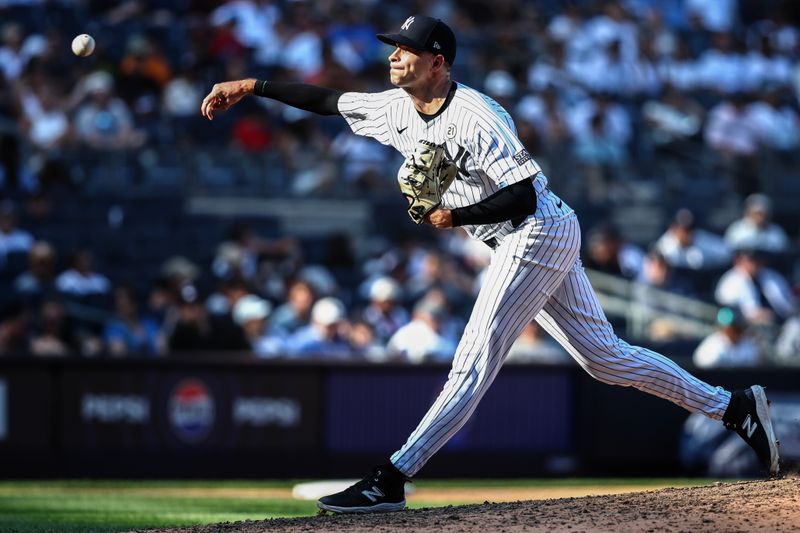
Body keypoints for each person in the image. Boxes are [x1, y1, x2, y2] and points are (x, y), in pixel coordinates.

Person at [201, 14, 780, 513]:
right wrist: (252, 85)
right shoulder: (395, 108)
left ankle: (391, 481)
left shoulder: (476, 114)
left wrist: (453, 219)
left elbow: (524, 195)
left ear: (438, 62)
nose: (394, 57)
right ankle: (735, 409)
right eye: (392, 49)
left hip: (536, 229)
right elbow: (327, 101)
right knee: (607, 360)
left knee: (474, 361)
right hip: (525, 235)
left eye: (405, 50)